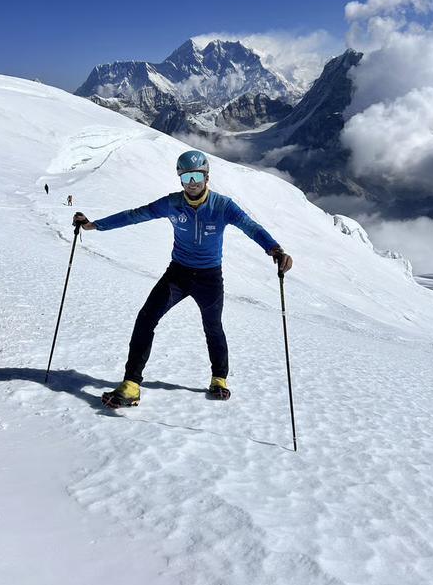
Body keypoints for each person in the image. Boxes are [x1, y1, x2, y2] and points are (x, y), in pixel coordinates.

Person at [72, 150, 292, 408]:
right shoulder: (172, 203)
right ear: (180, 178)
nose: (192, 181)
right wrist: (94, 225)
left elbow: (250, 227)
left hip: (209, 278)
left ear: (207, 177)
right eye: (186, 176)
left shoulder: (223, 206)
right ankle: (131, 384)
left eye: (197, 175)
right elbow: (135, 215)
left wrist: (274, 249)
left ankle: (219, 378)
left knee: (213, 327)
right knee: (146, 319)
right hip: (178, 273)